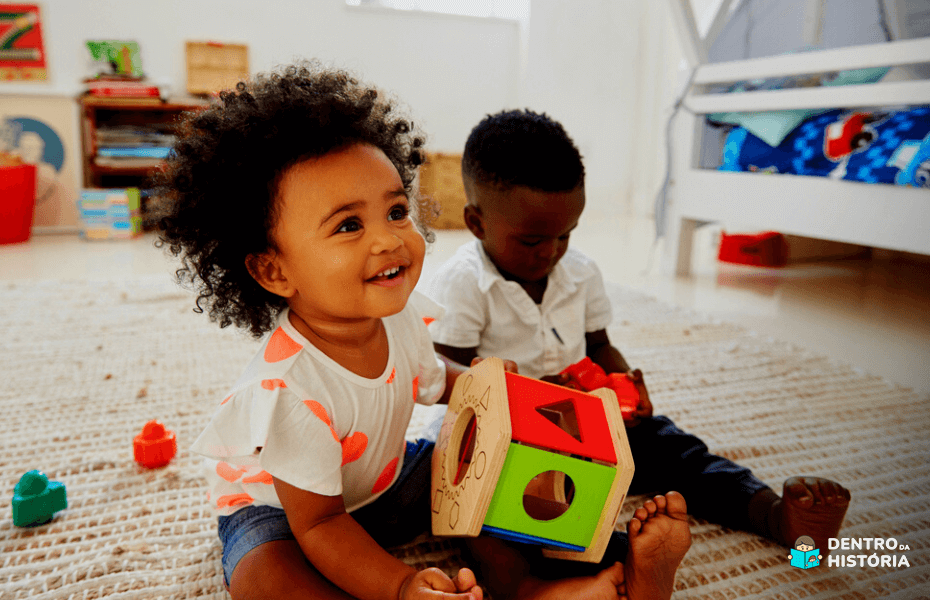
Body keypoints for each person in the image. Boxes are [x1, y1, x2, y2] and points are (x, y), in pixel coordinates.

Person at [155, 63, 691, 600]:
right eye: (348, 225)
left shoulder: (400, 318)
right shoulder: (288, 393)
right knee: (264, 577)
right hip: (286, 514)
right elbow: (320, 525)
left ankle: (545, 580)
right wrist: (401, 584)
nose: (389, 240)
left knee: (484, 466)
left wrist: (486, 386)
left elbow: (439, 382)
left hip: (387, 485)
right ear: (275, 271)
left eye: (395, 211)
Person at [426, 108, 851, 561]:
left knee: (675, 450)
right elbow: (451, 377)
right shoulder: (463, 283)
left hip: (587, 420)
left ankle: (774, 514)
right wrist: (533, 400)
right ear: (477, 223)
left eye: (565, 235)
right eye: (532, 241)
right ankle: (613, 564)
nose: (551, 252)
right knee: (507, 506)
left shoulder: (581, 272)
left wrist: (627, 384)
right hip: (503, 435)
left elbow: (599, 346)